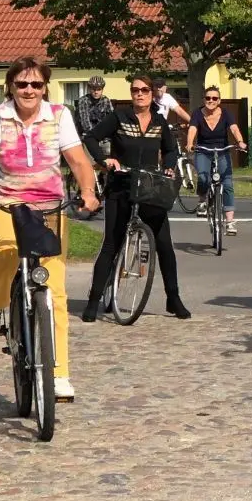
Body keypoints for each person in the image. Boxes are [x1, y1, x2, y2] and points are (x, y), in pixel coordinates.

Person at [0, 57, 100, 401]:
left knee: (56, 293)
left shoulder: (60, 116)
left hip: (49, 208)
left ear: (45, 87)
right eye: (22, 84)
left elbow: (78, 160)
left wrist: (89, 192)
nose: (29, 90)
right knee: (6, 246)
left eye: (36, 84)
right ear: (11, 87)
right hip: (5, 203)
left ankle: (60, 373)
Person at [81, 72, 190, 321]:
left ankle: (173, 299)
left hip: (150, 188)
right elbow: (91, 137)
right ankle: (93, 300)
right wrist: (104, 159)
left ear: (153, 94)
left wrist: (170, 165)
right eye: (135, 90)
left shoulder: (159, 122)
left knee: (164, 245)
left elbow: (170, 149)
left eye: (144, 90)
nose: (139, 94)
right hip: (121, 186)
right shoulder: (119, 117)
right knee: (112, 243)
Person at [186, 86, 248, 235]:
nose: (211, 101)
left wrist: (240, 141)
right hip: (203, 151)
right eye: (208, 98)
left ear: (219, 100)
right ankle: (202, 201)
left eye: (214, 98)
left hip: (222, 151)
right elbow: (192, 129)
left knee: (227, 183)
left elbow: (234, 128)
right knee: (203, 177)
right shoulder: (197, 114)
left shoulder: (226, 113)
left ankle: (229, 222)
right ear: (204, 100)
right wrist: (189, 143)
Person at [73, 76, 116, 155]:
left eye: (99, 89)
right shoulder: (83, 101)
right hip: (87, 135)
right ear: (90, 89)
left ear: (102, 89)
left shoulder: (106, 100)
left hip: (104, 136)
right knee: (90, 163)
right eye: (93, 89)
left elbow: (111, 118)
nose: (96, 92)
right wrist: (95, 137)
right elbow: (85, 122)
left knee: (108, 158)